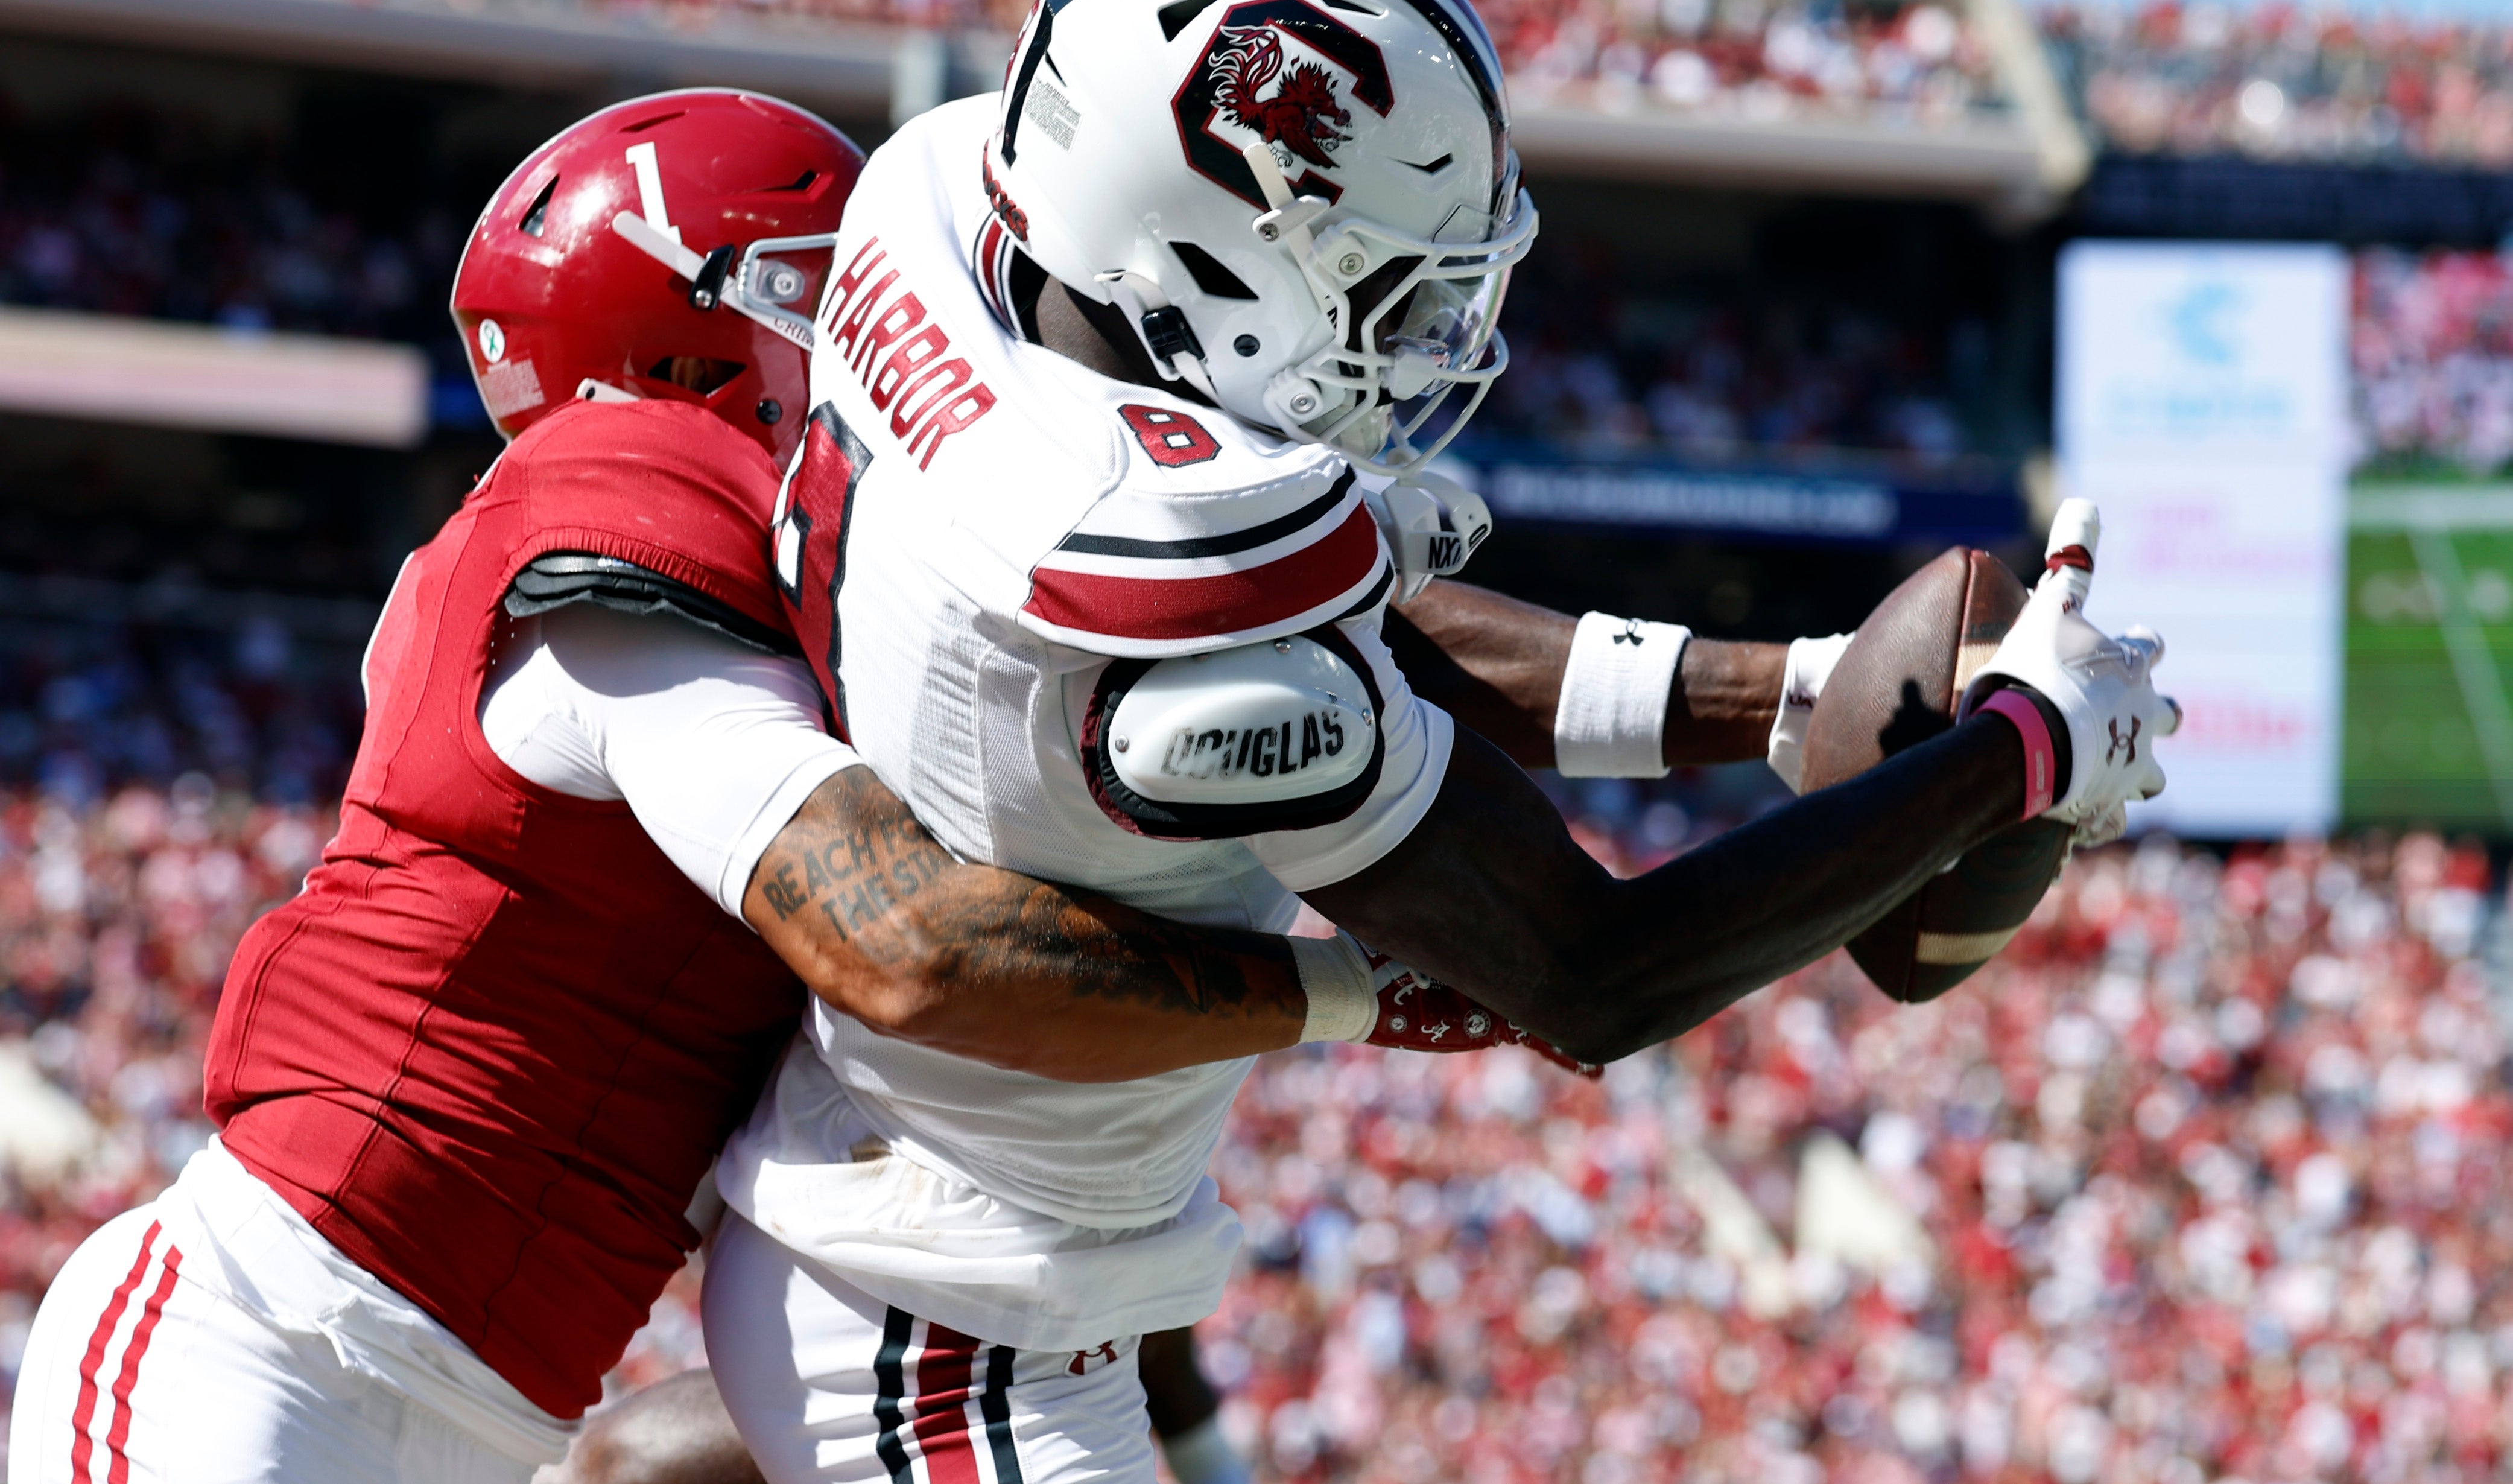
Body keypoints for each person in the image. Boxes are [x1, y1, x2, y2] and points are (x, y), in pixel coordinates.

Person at [5, 86, 1822, 1484]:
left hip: (441, 1397)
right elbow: (918, 947)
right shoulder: (626, 534)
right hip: (255, 1354)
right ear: (752, 317)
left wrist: (1786, 694)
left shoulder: (838, 598)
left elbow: (1338, 646)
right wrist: (1355, 990)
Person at [705, 0, 2178, 1484]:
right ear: (1205, 252)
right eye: (1385, 285)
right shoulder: (1159, 588)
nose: (1424, 339)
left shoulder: (967, 246)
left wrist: (1779, 690)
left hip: (880, 1218)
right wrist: (2024, 751)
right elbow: (1596, 974)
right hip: (964, 1330)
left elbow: (1371, 639)